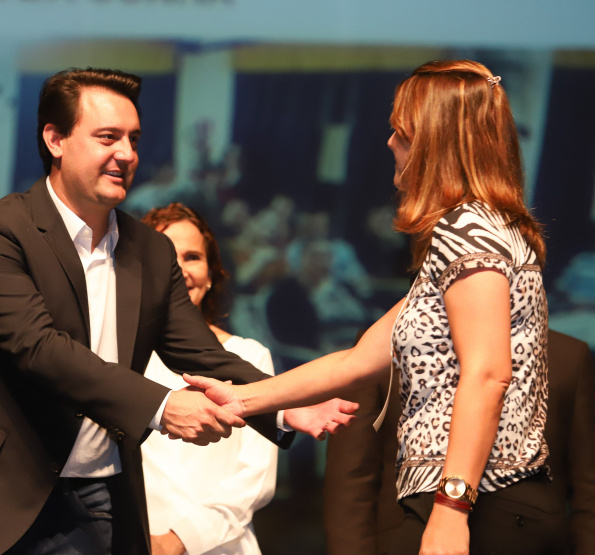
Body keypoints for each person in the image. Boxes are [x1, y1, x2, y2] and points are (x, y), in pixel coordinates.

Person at [0, 68, 357, 555]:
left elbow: (198, 351)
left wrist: (283, 404)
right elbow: (38, 348)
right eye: (108, 137)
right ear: (56, 139)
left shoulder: (150, 250)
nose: (127, 154)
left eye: (133, 139)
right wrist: (162, 405)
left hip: (89, 498)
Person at [185, 60, 562, 554]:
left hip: (479, 501)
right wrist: (243, 400)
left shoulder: (465, 228)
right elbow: (359, 360)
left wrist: (451, 510)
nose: (389, 143)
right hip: (480, 499)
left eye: (400, 131)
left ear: (433, 142)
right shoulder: (486, 227)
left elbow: (488, 373)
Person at [323, 328, 595, 554]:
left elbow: (588, 490)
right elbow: (350, 479)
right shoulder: (385, 348)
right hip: (408, 539)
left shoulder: (567, 356)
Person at [139, 203, 281, 555]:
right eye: (168, 257)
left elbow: (256, 477)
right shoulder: (116, 354)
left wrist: (180, 539)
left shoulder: (250, 357)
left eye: (192, 257)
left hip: (222, 547)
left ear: (212, 272)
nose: (181, 271)